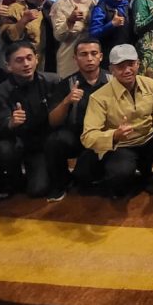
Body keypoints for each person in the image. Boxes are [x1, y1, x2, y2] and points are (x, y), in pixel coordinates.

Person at [82, 43, 153, 199]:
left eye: (131, 64)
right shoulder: (99, 97)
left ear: (138, 64)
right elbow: (88, 136)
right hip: (122, 146)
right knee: (120, 176)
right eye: (120, 66)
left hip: (149, 139)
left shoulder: (150, 84)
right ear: (111, 69)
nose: (127, 70)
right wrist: (114, 135)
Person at [0, 40, 62, 197]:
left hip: (41, 145)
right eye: (19, 60)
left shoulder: (53, 81)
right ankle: (14, 179)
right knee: (4, 148)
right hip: (17, 143)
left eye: (29, 58)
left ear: (37, 59)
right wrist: (10, 124)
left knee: (38, 190)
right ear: (8, 66)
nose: (26, 64)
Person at [44, 37, 109, 201]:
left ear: (101, 56)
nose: (89, 58)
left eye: (94, 53)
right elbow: (53, 121)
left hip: (105, 137)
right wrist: (66, 101)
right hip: (77, 137)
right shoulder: (66, 84)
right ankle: (59, 184)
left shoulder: (113, 80)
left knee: (84, 177)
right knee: (54, 141)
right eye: (83, 54)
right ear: (75, 58)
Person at [2, 0, 58, 73]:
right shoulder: (16, 8)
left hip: (52, 62)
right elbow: (5, 37)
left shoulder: (53, 7)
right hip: (25, 63)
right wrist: (23, 21)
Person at [50, 0, 96, 78]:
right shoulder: (62, 4)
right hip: (69, 57)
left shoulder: (94, 1)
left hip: (92, 56)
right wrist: (70, 21)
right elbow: (59, 36)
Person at [88, 0, 132, 66]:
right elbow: (93, 34)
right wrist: (112, 24)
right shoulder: (100, 8)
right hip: (108, 58)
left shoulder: (126, 6)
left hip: (126, 55)